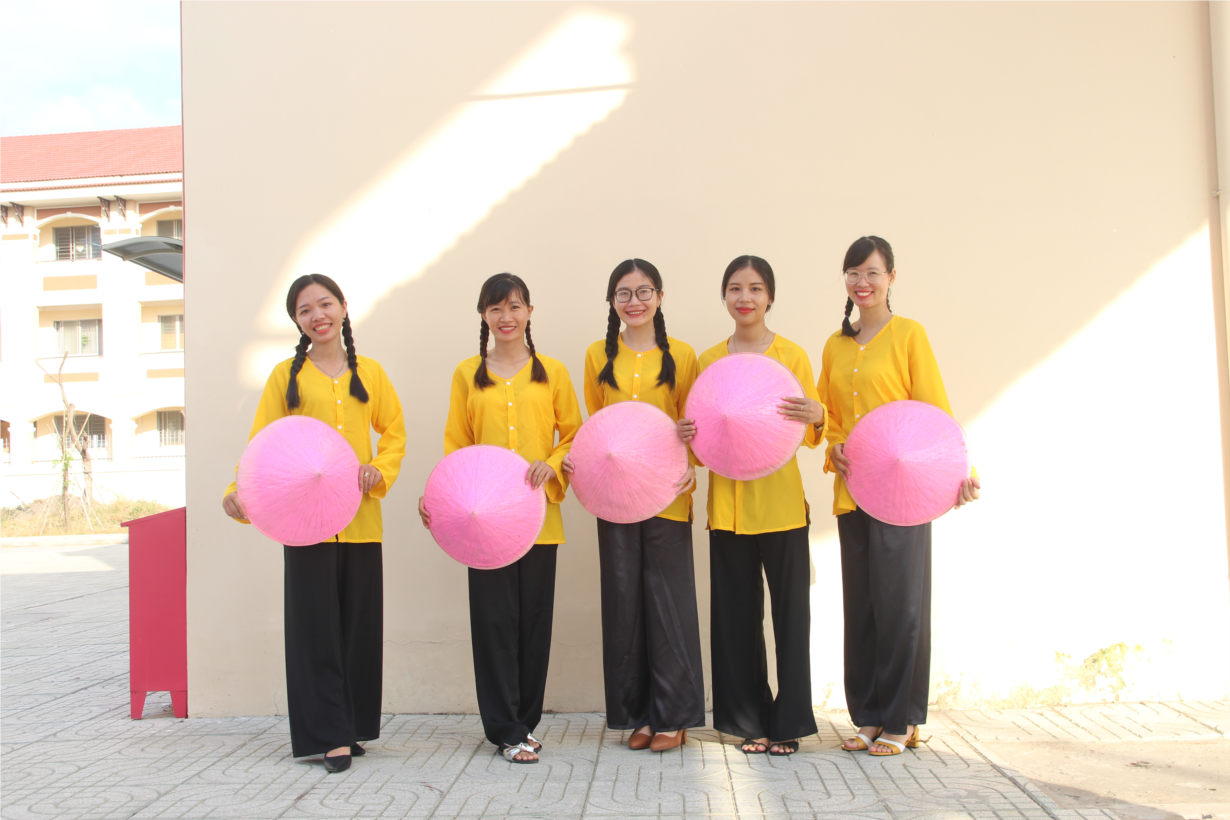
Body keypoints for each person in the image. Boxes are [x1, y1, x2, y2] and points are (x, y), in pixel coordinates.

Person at [222, 274, 406, 773]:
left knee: (359, 629)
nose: (317, 315)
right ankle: (328, 736)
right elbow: (261, 444)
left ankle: (352, 726)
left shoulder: (370, 373)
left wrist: (380, 469)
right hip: (304, 522)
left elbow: (394, 433)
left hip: (361, 519)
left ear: (343, 307)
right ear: (297, 321)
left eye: (325, 304)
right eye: (305, 310)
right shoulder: (286, 376)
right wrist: (237, 489)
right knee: (315, 630)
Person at [817, 236, 980, 757]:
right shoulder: (835, 345)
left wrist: (961, 471)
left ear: (891, 277)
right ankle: (867, 717)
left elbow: (934, 409)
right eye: (853, 273)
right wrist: (833, 444)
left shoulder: (910, 334)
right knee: (862, 608)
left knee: (900, 607)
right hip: (853, 491)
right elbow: (828, 414)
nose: (862, 283)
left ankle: (902, 720)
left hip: (903, 493)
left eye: (872, 273)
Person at [418, 273, 581, 764]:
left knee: (534, 624)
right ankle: (505, 730)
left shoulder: (553, 372)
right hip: (482, 522)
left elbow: (574, 435)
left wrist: (551, 463)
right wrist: (441, 497)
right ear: (483, 315)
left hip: (539, 519)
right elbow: (457, 445)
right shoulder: (467, 374)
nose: (505, 317)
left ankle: (524, 724)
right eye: (495, 308)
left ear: (530, 311)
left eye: (514, 306)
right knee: (493, 624)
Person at [565, 258, 704, 753]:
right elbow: (596, 425)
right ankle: (641, 714)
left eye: (644, 291)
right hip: (616, 495)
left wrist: (693, 465)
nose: (634, 301)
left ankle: (674, 716)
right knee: (625, 604)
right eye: (623, 293)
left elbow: (695, 423)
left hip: (668, 494)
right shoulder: (596, 355)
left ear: (660, 298)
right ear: (612, 302)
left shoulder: (682, 355)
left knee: (669, 605)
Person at [693, 255, 828, 757]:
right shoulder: (708, 361)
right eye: (735, 288)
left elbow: (809, 433)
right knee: (736, 620)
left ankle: (788, 721)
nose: (744, 297)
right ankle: (749, 721)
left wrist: (819, 416)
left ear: (770, 296)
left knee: (791, 617)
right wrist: (688, 434)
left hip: (781, 506)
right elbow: (701, 439)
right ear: (724, 296)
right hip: (727, 508)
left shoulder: (792, 355)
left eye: (754, 288)